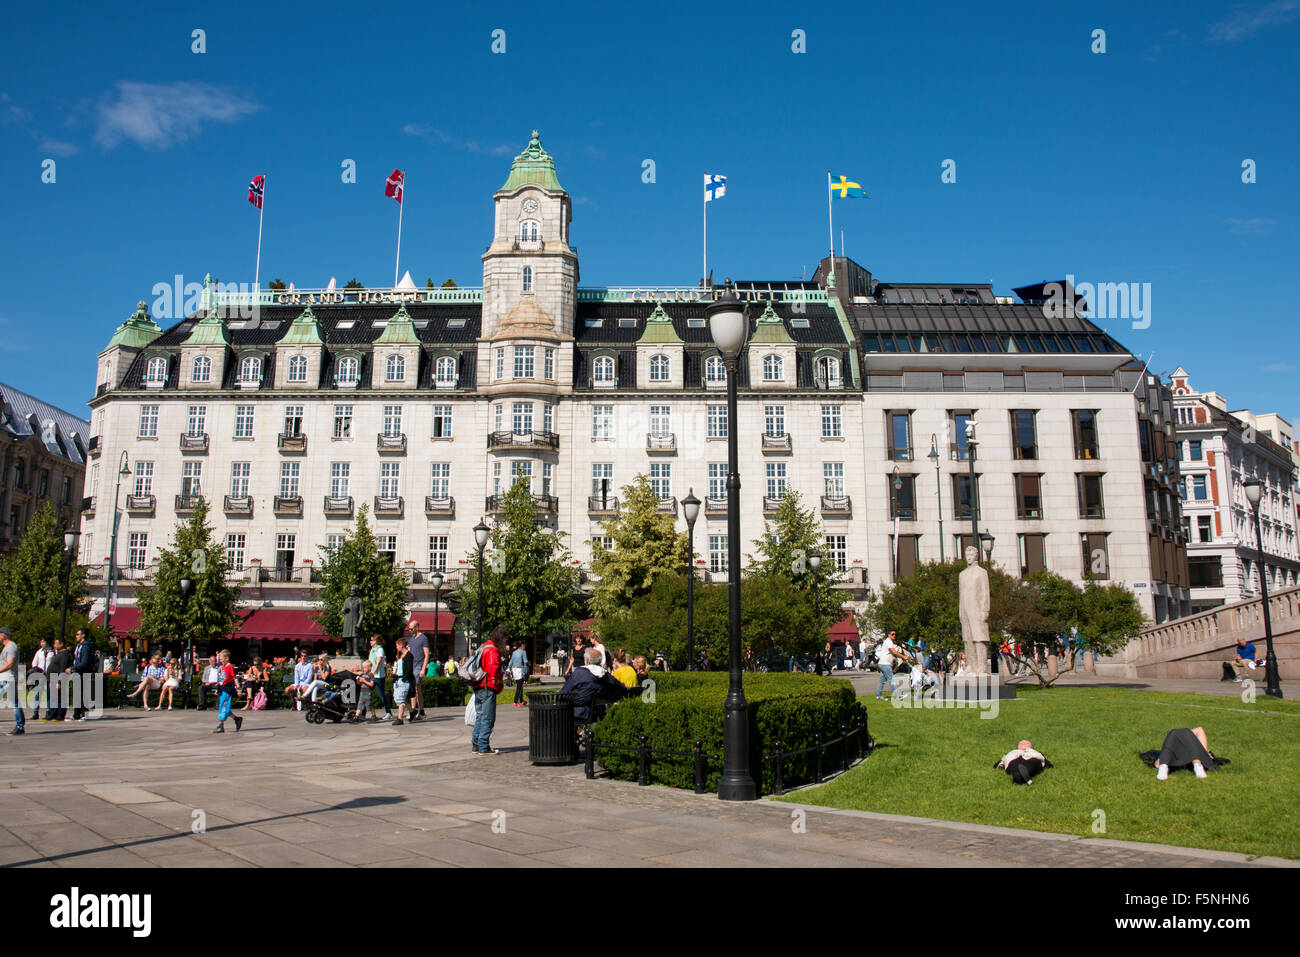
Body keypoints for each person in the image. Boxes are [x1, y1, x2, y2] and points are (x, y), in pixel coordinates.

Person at [561, 647, 628, 723]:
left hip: (577, 713)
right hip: (597, 713)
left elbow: (563, 693)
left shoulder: (579, 673)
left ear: (587, 661)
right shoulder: (605, 675)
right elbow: (618, 685)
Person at [471, 626, 505, 755]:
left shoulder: (483, 647)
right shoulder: (492, 650)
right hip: (487, 687)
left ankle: (476, 743)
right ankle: (484, 746)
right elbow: (493, 669)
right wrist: (499, 681)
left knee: (480, 716)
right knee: (488, 717)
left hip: (478, 686)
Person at [1146, 727, 1223, 780]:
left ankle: (1163, 767)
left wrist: (1184, 736)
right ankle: (1197, 766)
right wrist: (1184, 736)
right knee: (1179, 733)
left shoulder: (1206, 755)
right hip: (1181, 758)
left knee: (1177, 732)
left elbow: (1199, 730)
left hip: (1201, 760)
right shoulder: (1191, 745)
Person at [406, 621, 431, 721]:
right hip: (411, 666)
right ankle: (418, 711)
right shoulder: (411, 639)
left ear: (417, 627)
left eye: (411, 629)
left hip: (418, 666)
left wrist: (423, 669)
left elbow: (426, 654)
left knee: (416, 688)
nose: (410, 631)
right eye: (409, 629)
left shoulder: (423, 638)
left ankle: (415, 711)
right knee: (415, 689)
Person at [212, 649, 241, 733]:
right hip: (222, 688)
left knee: (222, 706)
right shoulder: (223, 667)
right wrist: (218, 688)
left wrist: (238, 689)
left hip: (227, 689)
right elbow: (222, 679)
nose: (220, 661)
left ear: (227, 658)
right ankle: (237, 719)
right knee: (225, 708)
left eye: (221, 659)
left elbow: (234, 677)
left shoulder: (230, 666)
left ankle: (221, 725)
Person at [1, 627, 24, 735]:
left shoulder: (10, 647)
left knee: (15, 703)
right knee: (15, 703)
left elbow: (9, 664)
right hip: (6, 678)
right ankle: (20, 726)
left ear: (3, 635)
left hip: (7, 679)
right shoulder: (7, 647)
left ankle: (20, 726)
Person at [367, 635, 391, 721]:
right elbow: (369, 663)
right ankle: (362, 713)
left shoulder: (380, 650)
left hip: (378, 676)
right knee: (366, 693)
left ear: (376, 641)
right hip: (371, 675)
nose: (370, 642)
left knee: (381, 695)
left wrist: (373, 673)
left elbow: (378, 662)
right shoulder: (372, 650)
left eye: (372, 640)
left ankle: (388, 712)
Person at [391, 636, 413, 725]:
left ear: (401, 645)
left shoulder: (408, 655)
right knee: (398, 698)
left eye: (397, 645)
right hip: (399, 679)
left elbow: (409, 668)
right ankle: (412, 711)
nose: (396, 647)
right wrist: (396, 676)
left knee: (400, 699)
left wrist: (405, 677)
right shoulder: (401, 655)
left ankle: (400, 719)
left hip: (404, 680)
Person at [29, 637, 52, 720]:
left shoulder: (52, 652)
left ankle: (48, 711)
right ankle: (36, 712)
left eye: (43, 641)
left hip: (49, 675)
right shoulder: (39, 652)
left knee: (49, 694)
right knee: (38, 694)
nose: (41, 643)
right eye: (41, 642)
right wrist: (38, 671)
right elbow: (34, 663)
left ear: (47, 642)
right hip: (40, 675)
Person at [874, 631, 902, 699]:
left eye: (895, 634)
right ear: (889, 635)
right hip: (885, 664)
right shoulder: (888, 641)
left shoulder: (889, 641)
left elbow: (892, 653)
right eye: (892, 634)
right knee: (891, 679)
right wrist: (903, 657)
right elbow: (894, 652)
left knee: (882, 680)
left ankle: (878, 695)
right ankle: (898, 696)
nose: (894, 635)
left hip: (882, 663)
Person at [508, 641, 530, 708]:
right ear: (522, 645)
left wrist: (508, 669)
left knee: (520, 685)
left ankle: (521, 700)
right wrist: (528, 667)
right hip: (520, 670)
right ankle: (515, 701)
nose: (525, 647)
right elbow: (525, 661)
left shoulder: (514, 652)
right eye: (525, 645)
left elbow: (511, 661)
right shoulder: (523, 652)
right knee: (519, 687)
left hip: (514, 670)